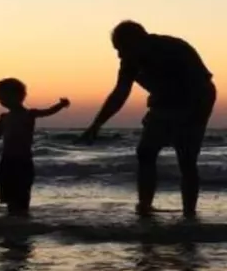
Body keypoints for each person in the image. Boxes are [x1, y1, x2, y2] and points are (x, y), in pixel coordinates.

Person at [81, 20, 216, 217]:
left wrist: (190, 117)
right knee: (145, 152)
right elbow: (120, 93)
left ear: (138, 41)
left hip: (196, 99)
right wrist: (96, 125)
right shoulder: (129, 61)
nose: (119, 55)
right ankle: (144, 206)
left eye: (122, 49)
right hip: (163, 101)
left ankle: (189, 213)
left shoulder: (173, 48)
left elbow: (199, 85)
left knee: (186, 158)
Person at [0, 79, 69, 216]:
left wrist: (61, 104)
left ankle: (22, 223)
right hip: (7, 162)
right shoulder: (4, 117)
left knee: (22, 195)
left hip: (23, 161)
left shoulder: (29, 114)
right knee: (9, 197)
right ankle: (13, 226)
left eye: (2, 96)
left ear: (17, 95)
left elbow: (48, 111)